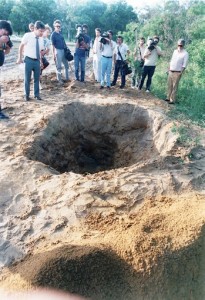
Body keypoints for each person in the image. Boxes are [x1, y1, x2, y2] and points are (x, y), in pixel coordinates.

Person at [17, 20, 45, 101]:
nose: (42, 33)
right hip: (28, 59)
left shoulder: (41, 39)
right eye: (40, 31)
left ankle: (36, 95)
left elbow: (40, 51)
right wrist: (20, 57)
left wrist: (41, 62)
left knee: (37, 79)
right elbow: (21, 46)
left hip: (37, 61)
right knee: (27, 78)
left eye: (43, 31)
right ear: (35, 28)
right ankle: (27, 95)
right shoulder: (27, 35)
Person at [165, 39, 189, 104]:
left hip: (177, 72)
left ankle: (172, 100)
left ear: (183, 45)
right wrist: (168, 68)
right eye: (178, 45)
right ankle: (168, 98)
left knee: (175, 86)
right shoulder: (175, 51)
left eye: (181, 45)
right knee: (169, 85)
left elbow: (184, 65)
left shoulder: (185, 53)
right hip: (171, 71)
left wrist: (180, 73)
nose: (179, 46)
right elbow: (172, 60)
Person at [0, 20, 13, 119]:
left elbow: (7, 50)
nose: (6, 34)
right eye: (5, 31)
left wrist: (6, 47)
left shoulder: (5, 39)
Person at [51, 20, 69, 85]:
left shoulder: (61, 33)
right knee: (59, 66)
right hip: (58, 50)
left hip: (63, 50)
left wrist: (66, 49)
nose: (58, 27)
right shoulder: (53, 34)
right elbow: (53, 45)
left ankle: (67, 78)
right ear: (54, 26)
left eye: (59, 26)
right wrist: (54, 54)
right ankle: (59, 80)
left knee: (66, 65)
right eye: (57, 26)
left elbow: (64, 42)